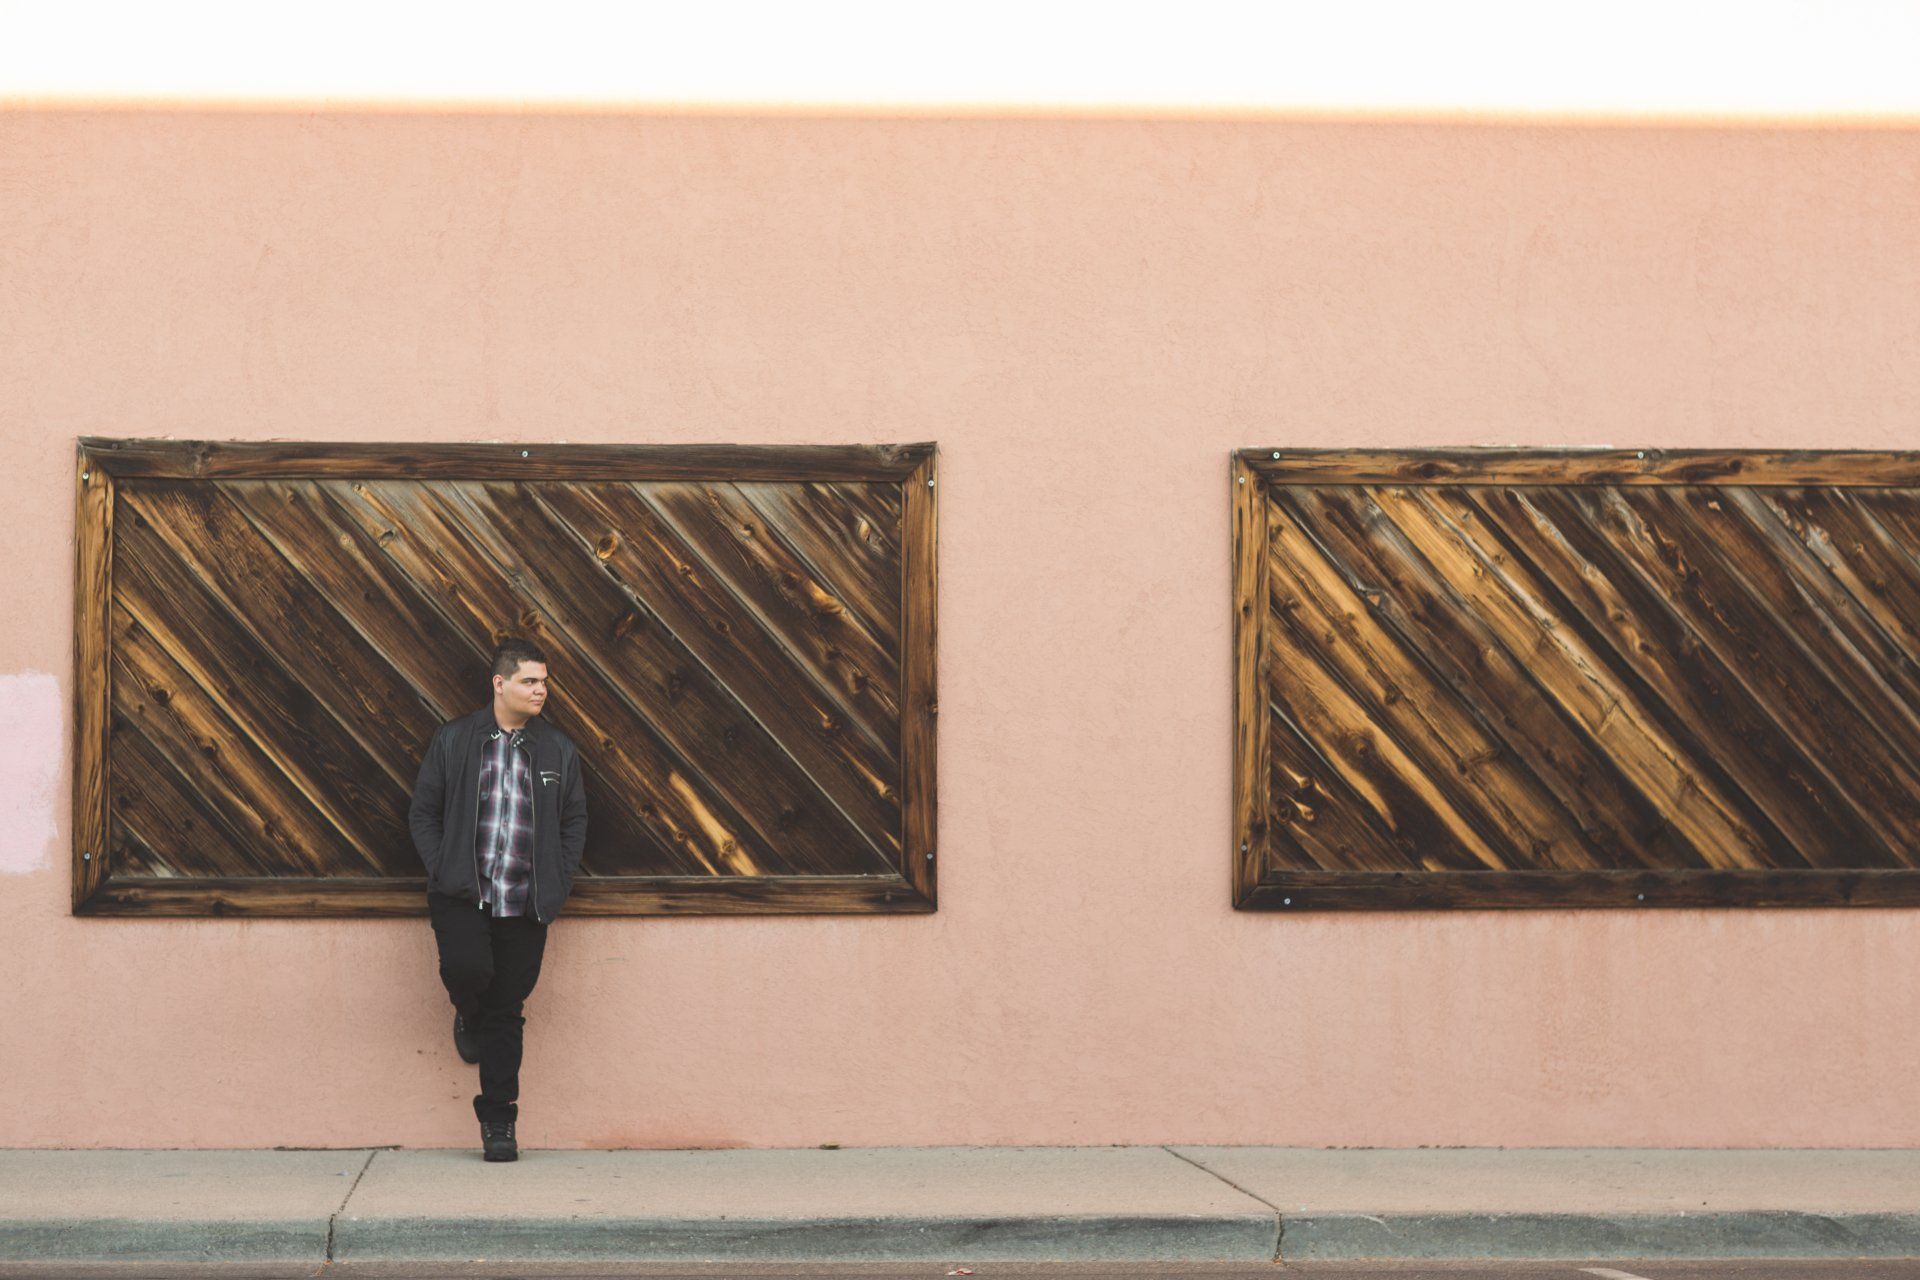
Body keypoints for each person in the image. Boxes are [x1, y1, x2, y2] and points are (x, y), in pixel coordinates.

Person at [407, 637, 589, 1162]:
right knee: (467, 971)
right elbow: (424, 812)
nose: (540, 691)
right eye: (529, 681)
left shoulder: (557, 749)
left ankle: (499, 1122)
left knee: (507, 1010)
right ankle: (468, 1011)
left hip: (526, 901)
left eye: (544, 682)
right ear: (499, 683)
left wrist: (558, 879)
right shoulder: (456, 739)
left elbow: (574, 819)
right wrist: (443, 867)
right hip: (463, 892)